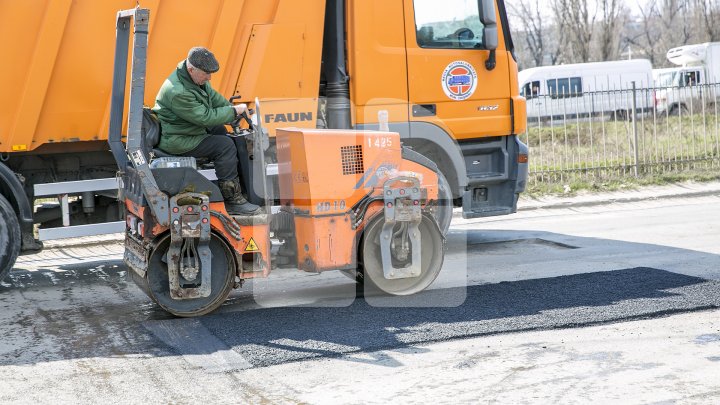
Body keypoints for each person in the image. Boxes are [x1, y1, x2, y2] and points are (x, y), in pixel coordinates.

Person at [153, 47, 261, 215]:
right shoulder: (178, 91)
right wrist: (234, 112)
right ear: (191, 69)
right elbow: (205, 118)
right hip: (179, 139)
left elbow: (214, 98)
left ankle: (238, 185)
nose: (209, 78)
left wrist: (230, 107)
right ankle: (232, 200)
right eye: (206, 74)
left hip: (187, 130)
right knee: (224, 146)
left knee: (221, 131)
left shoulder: (195, 79)